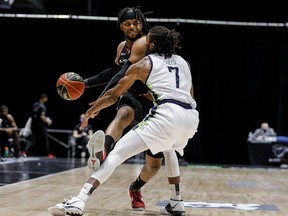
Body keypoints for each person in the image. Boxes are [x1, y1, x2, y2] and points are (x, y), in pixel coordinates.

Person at [48, 25, 199, 216]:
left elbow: (113, 95)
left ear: (151, 44)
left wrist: (92, 110)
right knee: (169, 149)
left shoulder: (144, 64)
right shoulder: (184, 62)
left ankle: (78, 200)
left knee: (117, 154)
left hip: (167, 116)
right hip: (190, 118)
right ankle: (177, 202)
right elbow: (190, 94)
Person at [82, 6, 183, 211]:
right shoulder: (122, 47)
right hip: (133, 94)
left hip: (154, 100)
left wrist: (102, 101)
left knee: (153, 165)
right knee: (123, 113)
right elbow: (114, 72)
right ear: (120, 26)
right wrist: (85, 83)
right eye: (127, 24)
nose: (132, 27)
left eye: (136, 23)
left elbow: (121, 76)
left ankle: (136, 188)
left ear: (141, 23)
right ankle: (102, 150)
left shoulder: (144, 43)